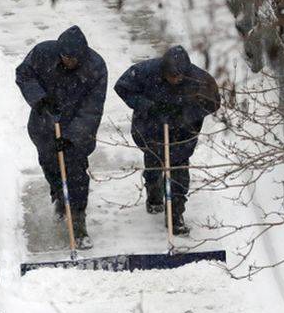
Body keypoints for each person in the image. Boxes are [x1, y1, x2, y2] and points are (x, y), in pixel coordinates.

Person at [15, 25, 108, 249]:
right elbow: (23, 74)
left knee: (75, 171)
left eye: (73, 58)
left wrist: (72, 137)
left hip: (78, 129)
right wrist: (41, 100)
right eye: (65, 57)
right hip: (44, 123)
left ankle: (78, 221)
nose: (68, 62)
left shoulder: (96, 67)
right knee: (50, 165)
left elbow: (92, 108)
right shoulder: (42, 53)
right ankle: (58, 195)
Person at [114, 46, 220, 234]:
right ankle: (154, 196)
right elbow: (122, 87)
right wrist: (148, 107)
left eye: (179, 76)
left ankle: (175, 215)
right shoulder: (146, 71)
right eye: (172, 76)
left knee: (178, 171)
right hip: (150, 129)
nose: (176, 80)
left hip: (182, 133)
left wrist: (183, 114)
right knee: (154, 162)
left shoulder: (199, 79)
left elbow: (213, 102)